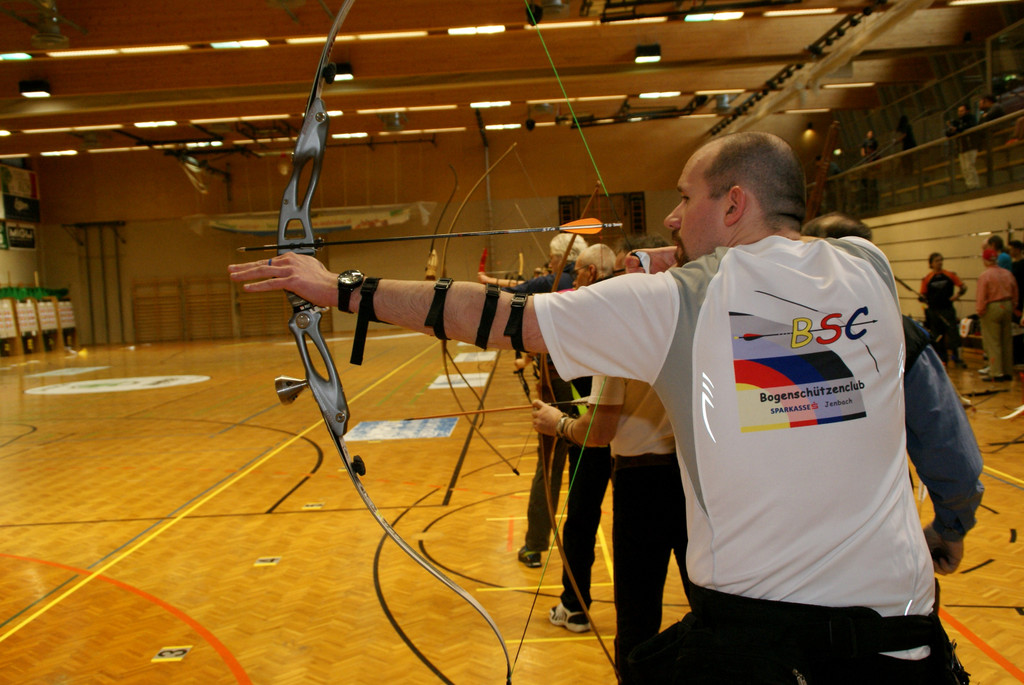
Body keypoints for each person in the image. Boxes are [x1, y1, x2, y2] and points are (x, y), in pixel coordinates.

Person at [230, 131, 967, 683]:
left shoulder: (679, 304)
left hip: (762, 650)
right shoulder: (868, 271)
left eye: (685, 198)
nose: (673, 219)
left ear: (733, 202)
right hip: (904, 642)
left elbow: (491, 314)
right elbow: (785, 272)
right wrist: (953, 520)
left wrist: (339, 289)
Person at [533, 245, 689, 682]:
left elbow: (598, 433)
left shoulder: (620, 330)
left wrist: (558, 423)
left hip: (643, 484)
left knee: (637, 621)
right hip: (697, 478)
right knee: (711, 605)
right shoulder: (689, 316)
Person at [800, 213, 983, 575]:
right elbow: (950, 452)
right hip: (876, 542)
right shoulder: (897, 334)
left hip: (774, 554)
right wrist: (951, 526)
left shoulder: (755, 336)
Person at [482, 233, 586, 568]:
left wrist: (485, 284)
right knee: (590, 468)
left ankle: (534, 544)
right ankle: (575, 549)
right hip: (588, 387)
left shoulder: (559, 279)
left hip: (558, 387)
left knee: (551, 466)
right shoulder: (589, 282)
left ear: (562, 259)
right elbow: (526, 284)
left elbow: (517, 291)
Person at [540, 243, 615, 634]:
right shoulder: (627, 307)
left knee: (581, 522)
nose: (572, 274)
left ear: (588, 272)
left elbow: (549, 326)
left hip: (592, 432)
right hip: (633, 439)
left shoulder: (582, 309)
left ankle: (574, 606)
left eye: (578, 270)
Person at [976, 247, 1019, 381]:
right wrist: (1013, 306)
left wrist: (980, 311)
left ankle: (996, 372)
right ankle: (1007, 371)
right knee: (1006, 340)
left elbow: (982, 295)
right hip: (1007, 305)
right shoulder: (1007, 273)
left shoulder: (985, 275)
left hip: (992, 307)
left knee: (993, 341)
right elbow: (1015, 291)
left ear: (985, 260)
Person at [920, 252, 968, 367]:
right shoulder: (927, 279)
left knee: (953, 335)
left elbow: (963, 287)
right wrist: (922, 299)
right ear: (931, 263)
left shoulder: (949, 275)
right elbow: (923, 295)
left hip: (948, 310)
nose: (940, 263)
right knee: (937, 337)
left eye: (941, 260)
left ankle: (957, 358)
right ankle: (942, 359)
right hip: (934, 312)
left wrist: (957, 296)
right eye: (937, 261)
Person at [946, 104, 980, 189]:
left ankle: (974, 185)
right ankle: (969, 185)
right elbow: (949, 133)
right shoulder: (958, 122)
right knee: (964, 168)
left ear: (967, 111)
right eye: (959, 111)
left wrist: (957, 129)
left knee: (969, 166)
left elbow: (966, 127)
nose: (960, 113)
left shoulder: (970, 118)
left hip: (969, 146)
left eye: (962, 111)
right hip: (961, 148)